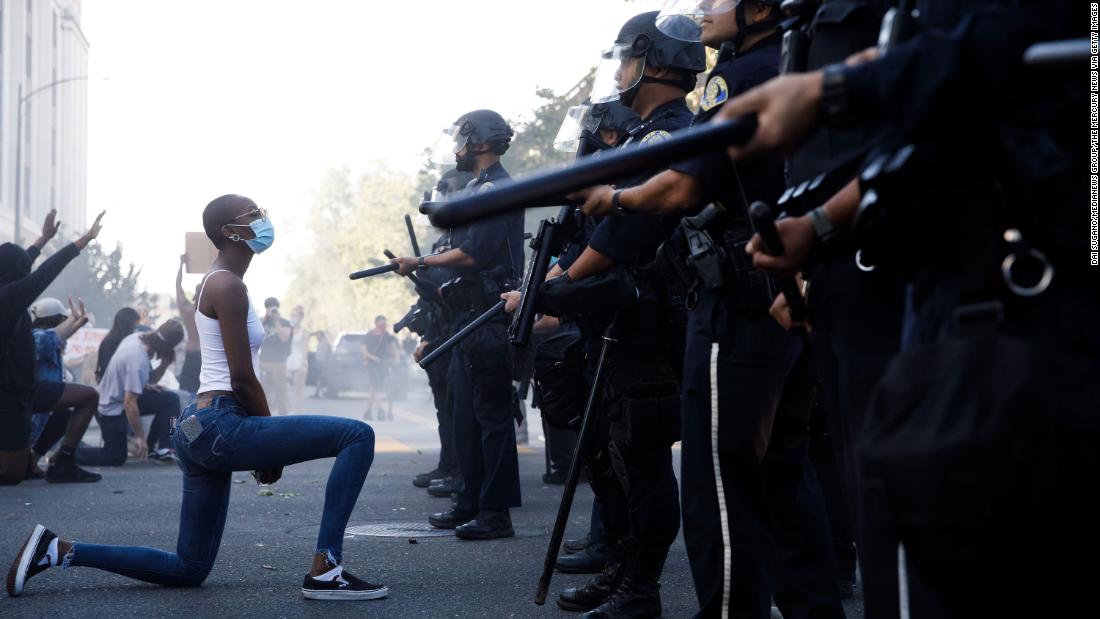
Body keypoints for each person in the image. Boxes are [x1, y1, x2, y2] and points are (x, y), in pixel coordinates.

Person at [720, 2, 1092, 616]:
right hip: (940, 288)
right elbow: (917, 136)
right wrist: (817, 227)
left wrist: (840, 88)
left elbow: (1033, 39)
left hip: (1043, 287)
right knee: (917, 530)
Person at [573, 3, 844, 617]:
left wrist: (612, 196)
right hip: (783, 296)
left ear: (757, 9)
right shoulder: (794, 61)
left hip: (741, 303)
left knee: (721, 484)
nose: (704, 11)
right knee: (783, 476)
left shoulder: (741, 75)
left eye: (717, 1)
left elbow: (685, 186)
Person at [8, 193, 386, 601]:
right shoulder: (226, 285)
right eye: (253, 214)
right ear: (229, 232)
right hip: (221, 422)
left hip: (199, 425)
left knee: (188, 568)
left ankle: (58, 550)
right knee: (357, 435)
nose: (263, 218)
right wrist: (269, 451)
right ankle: (327, 568)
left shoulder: (222, 281)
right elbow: (241, 378)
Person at [393, 109, 524, 540]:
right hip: (470, 314)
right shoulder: (476, 188)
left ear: (480, 142)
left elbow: (474, 255)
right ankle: (469, 500)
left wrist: (421, 261)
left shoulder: (496, 188)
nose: (458, 149)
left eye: (462, 140)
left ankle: (495, 512)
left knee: (491, 418)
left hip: (490, 313)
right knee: (466, 414)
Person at [0, 209, 105, 486]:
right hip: (9, 397)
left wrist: (44, 239)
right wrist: (80, 243)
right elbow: (42, 274)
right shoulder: (7, 298)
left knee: (87, 397)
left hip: (28, 390)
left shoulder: (8, 288)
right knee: (13, 476)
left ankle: (64, 462)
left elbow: (25, 261)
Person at [411, 168, 473, 493]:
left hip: (460, 332)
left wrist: (422, 266)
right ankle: (448, 466)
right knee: (446, 409)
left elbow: (450, 290)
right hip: (442, 334)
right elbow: (434, 299)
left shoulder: (466, 240)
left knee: (460, 410)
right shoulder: (444, 241)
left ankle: (459, 474)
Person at [76, 320, 184, 466]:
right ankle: (69, 452)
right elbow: (129, 404)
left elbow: (148, 378)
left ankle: (166, 447)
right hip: (111, 407)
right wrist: (140, 437)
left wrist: (148, 381)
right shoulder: (137, 361)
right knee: (115, 456)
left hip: (122, 396)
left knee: (171, 400)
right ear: (166, 347)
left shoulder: (138, 338)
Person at [26, 297, 102, 483]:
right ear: (58, 320)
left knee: (65, 414)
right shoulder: (36, 339)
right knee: (116, 454)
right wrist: (73, 321)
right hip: (27, 412)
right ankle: (63, 462)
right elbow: (48, 339)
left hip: (37, 414)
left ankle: (33, 460)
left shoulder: (47, 342)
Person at [259, 297, 293, 415]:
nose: (272, 310)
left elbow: (285, 338)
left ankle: (283, 414)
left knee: (281, 392)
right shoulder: (261, 322)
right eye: (269, 308)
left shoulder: (285, 322)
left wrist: (277, 321)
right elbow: (255, 335)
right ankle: (264, 414)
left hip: (279, 362)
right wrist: (265, 318)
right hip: (264, 362)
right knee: (262, 391)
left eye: (274, 308)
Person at [176, 254, 202, 396]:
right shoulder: (213, 312)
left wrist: (181, 264)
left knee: (187, 391)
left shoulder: (187, 309)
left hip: (192, 352)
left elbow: (178, 287)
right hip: (204, 354)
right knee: (202, 392)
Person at [362, 315, 397, 421]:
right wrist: (373, 358)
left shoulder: (386, 335)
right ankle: (381, 410)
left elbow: (392, 347)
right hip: (371, 365)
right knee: (375, 387)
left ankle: (367, 412)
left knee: (374, 389)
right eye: (381, 324)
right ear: (376, 324)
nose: (383, 326)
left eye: (384, 324)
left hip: (382, 365)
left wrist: (396, 357)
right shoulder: (369, 335)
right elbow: (363, 350)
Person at [95, 307, 142, 384]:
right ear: (128, 324)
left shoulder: (113, 339)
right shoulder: (113, 343)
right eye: (135, 326)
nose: (136, 330)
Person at [286, 305, 309, 409]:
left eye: (295, 315)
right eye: (292, 315)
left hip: (300, 362)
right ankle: (291, 412)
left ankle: (299, 412)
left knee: (298, 390)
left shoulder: (304, 332)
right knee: (287, 390)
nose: (293, 317)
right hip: (288, 362)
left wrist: (301, 365)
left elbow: (305, 350)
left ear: (301, 317)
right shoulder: (288, 331)